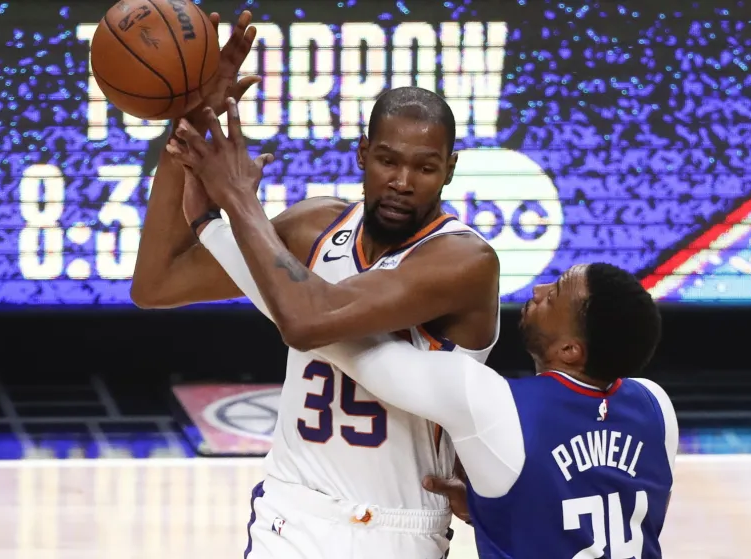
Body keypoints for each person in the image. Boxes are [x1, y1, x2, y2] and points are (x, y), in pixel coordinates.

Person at [132, 13, 500, 558]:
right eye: (387, 160)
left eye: (424, 167)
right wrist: (188, 119)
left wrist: (236, 201)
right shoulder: (313, 226)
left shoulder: (463, 260)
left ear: (449, 169)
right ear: (362, 155)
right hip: (290, 514)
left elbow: (308, 321)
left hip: (397, 528)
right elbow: (155, 283)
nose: (402, 182)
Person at [308, 262, 677, 559]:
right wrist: (499, 507)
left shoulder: (495, 405)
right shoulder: (656, 407)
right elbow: (599, 502)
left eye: (554, 296)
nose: (538, 291)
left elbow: (359, 351)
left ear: (570, 351)